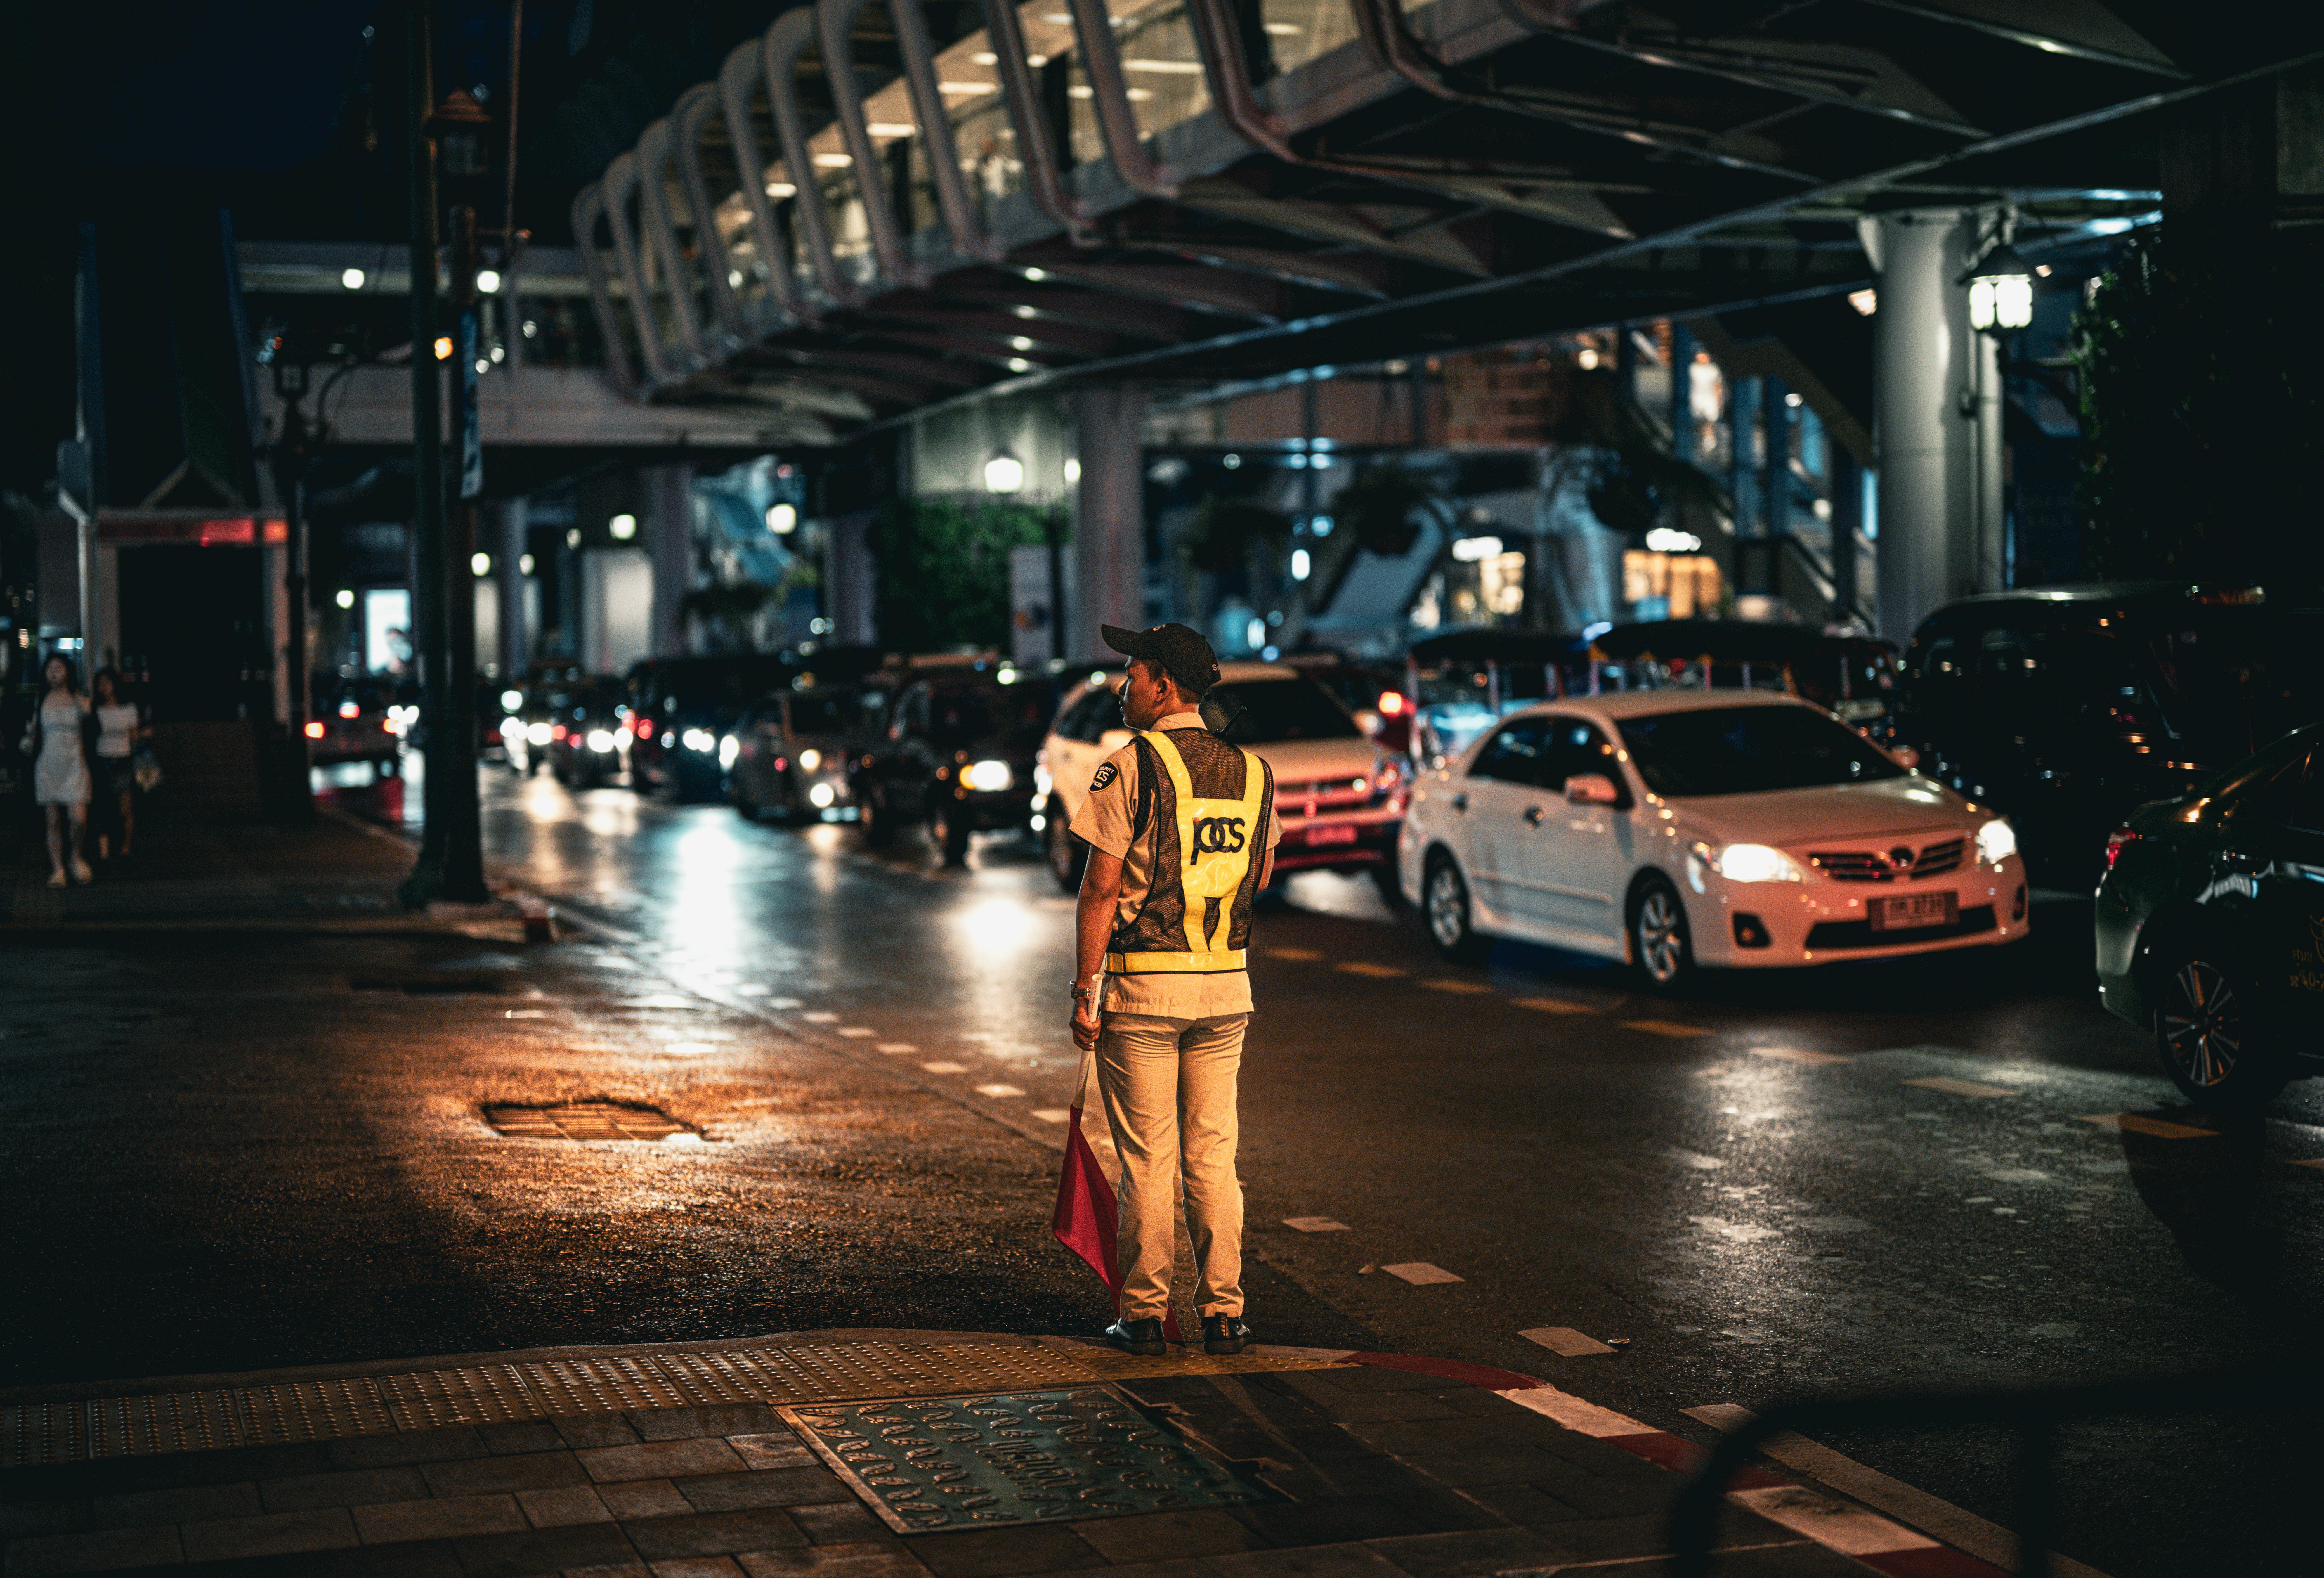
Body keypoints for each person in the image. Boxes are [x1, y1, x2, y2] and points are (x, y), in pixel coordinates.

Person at [1068, 623, 1279, 1358]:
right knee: (1212, 1155)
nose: (1122, 686)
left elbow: (1099, 890)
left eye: (1132, 673)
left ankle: (1145, 1314)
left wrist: (1085, 989)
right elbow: (1259, 874)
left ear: (1162, 686)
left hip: (1145, 992)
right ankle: (1224, 1312)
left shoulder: (1128, 767)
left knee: (1149, 1159)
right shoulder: (1253, 772)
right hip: (1225, 990)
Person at [23, 654, 93, 887]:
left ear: (68, 671)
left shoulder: (77, 697)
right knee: (53, 822)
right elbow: (34, 731)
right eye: (50, 668)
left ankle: (75, 856)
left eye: (59, 667)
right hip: (48, 765)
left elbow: (91, 721)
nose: (54, 672)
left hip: (75, 763)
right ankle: (58, 868)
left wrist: (84, 704)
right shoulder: (40, 699)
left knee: (79, 818)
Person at [90, 668, 144, 861]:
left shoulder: (128, 708)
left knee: (125, 809)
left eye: (107, 682)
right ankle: (104, 854)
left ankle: (125, 848)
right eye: (100, 684)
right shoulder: (95, 709)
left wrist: (142, 735)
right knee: (103, 806)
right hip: (102, 759)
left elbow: (135, 736)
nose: (104, 687)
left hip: (124, 759)